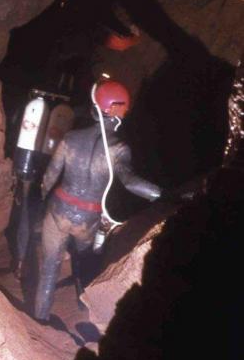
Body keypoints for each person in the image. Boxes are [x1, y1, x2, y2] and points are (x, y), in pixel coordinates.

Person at [34, 80, 167, 322]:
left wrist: (43, 199)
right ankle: (87, 311)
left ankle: (40, 319)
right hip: (86, 220)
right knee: (86, 263)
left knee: (49, 269)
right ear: (119, 111)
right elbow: (130, 181)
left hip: (58, 211)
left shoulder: (71, 138)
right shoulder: (118, 148)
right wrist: (163, 195)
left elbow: (50, 175)